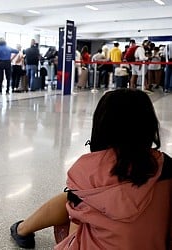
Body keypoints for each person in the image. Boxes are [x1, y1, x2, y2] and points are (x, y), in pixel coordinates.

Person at [10, 88, 172, 249]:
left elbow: (76, 217)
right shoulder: (166, 165)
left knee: (73, 201)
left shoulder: (88, 169)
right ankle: (23, 228)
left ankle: (22, 229)